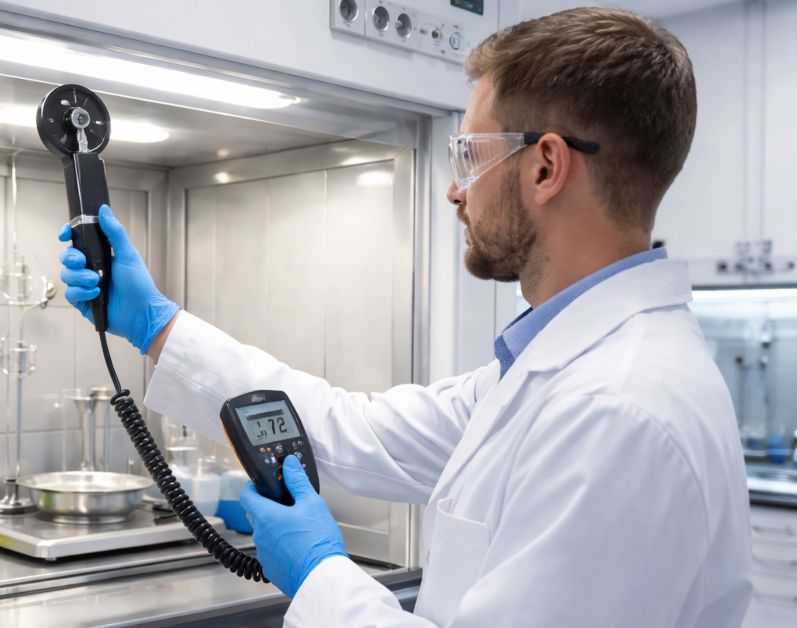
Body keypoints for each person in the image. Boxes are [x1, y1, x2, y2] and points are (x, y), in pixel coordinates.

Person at [57, 7, 751, 627]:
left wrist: (321, 574)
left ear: (546, 167)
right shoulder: (556, 372)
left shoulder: (617, 412)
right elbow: (349, 430)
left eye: (469, 155)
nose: (454, 188)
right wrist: (155, 325)